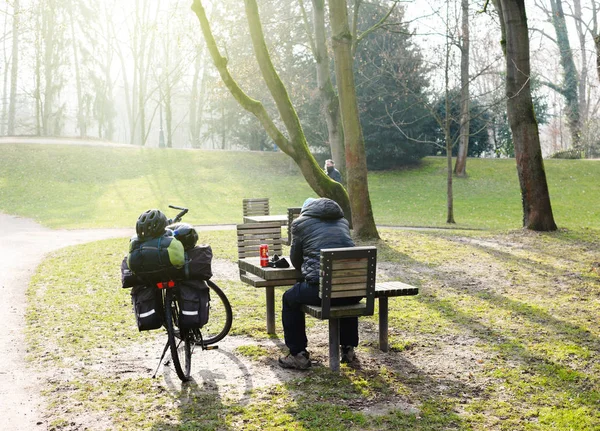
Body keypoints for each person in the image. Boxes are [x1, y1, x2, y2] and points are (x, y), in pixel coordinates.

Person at [278, 197, 359, 370]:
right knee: (344, 287)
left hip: (323, 290)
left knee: (289, 297)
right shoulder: (343, 221)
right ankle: (348, 348)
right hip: (355, 290)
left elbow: (295, 260)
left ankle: (298, 354)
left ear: (306, 210)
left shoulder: (300, 223)